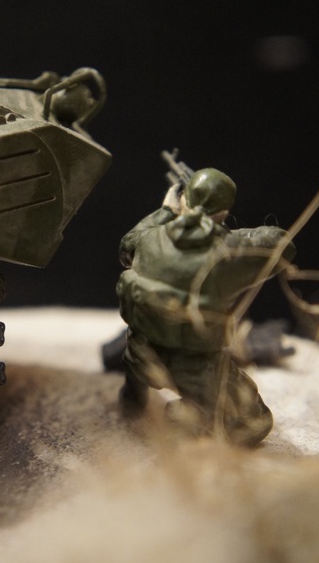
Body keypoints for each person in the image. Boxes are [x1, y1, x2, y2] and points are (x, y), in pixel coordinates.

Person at [116, 167, 295, 446]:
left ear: (183, 200)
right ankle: (191, 419)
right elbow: (283, 244)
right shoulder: (227, 253)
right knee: (257, 421)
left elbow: (128, 243)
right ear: (223, 211)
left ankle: (132, 400)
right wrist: (220, 231)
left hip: (140, 349)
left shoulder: (148, 239)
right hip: (196, 364)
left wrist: (166, 211)